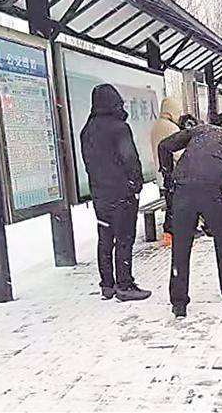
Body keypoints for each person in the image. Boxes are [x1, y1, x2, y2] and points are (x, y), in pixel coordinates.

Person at [158, 119, 222, 319]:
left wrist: (168, 175)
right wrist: (217, 206)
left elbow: (164, 146)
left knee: (181, 245)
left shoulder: (200, 130)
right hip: (212, 190)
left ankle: (179, 303)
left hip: (183, 188)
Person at [80, 84, 151, 302]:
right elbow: (129, 158)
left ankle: (107, 285)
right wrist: (135, 183)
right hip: (122, 194)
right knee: (124, 239)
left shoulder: (87, 130)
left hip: (100, 195)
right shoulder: (119, 128)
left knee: (105, 239)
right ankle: (125, 285)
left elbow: (89, 163)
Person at [150, 97, 182, 246]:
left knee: (170, 203)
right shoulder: (171, 128)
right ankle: (172, 232)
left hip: (162, 173)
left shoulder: (156, 125)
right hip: (173, 173)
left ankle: (168, 233)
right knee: (176, 205)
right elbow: (179, 153)